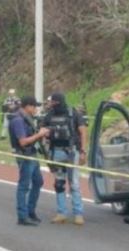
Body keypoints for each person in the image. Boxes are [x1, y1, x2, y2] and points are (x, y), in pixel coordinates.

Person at [41, 92, 88, 226]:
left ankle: (78, 214)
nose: (52, 105)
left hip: (72, 152)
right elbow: (42, 132)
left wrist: (83, 151)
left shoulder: (73, 114)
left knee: (74, 183)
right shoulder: (49, 115)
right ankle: (61, 213)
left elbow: (83, 131)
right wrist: (47, 153)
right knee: (59, 183)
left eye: (54, 102)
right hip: (56, 152)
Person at [9, 96, 49, 226]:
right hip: (25, 156)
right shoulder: (18, 120)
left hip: (32, 154)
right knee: (24, 185)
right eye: (34, 106)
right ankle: (22, 216)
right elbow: (23, 141)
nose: (36, 109)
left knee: (38, 182)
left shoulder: (28, 119)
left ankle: (30, 211)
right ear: (27, 106)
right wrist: (39, 135)